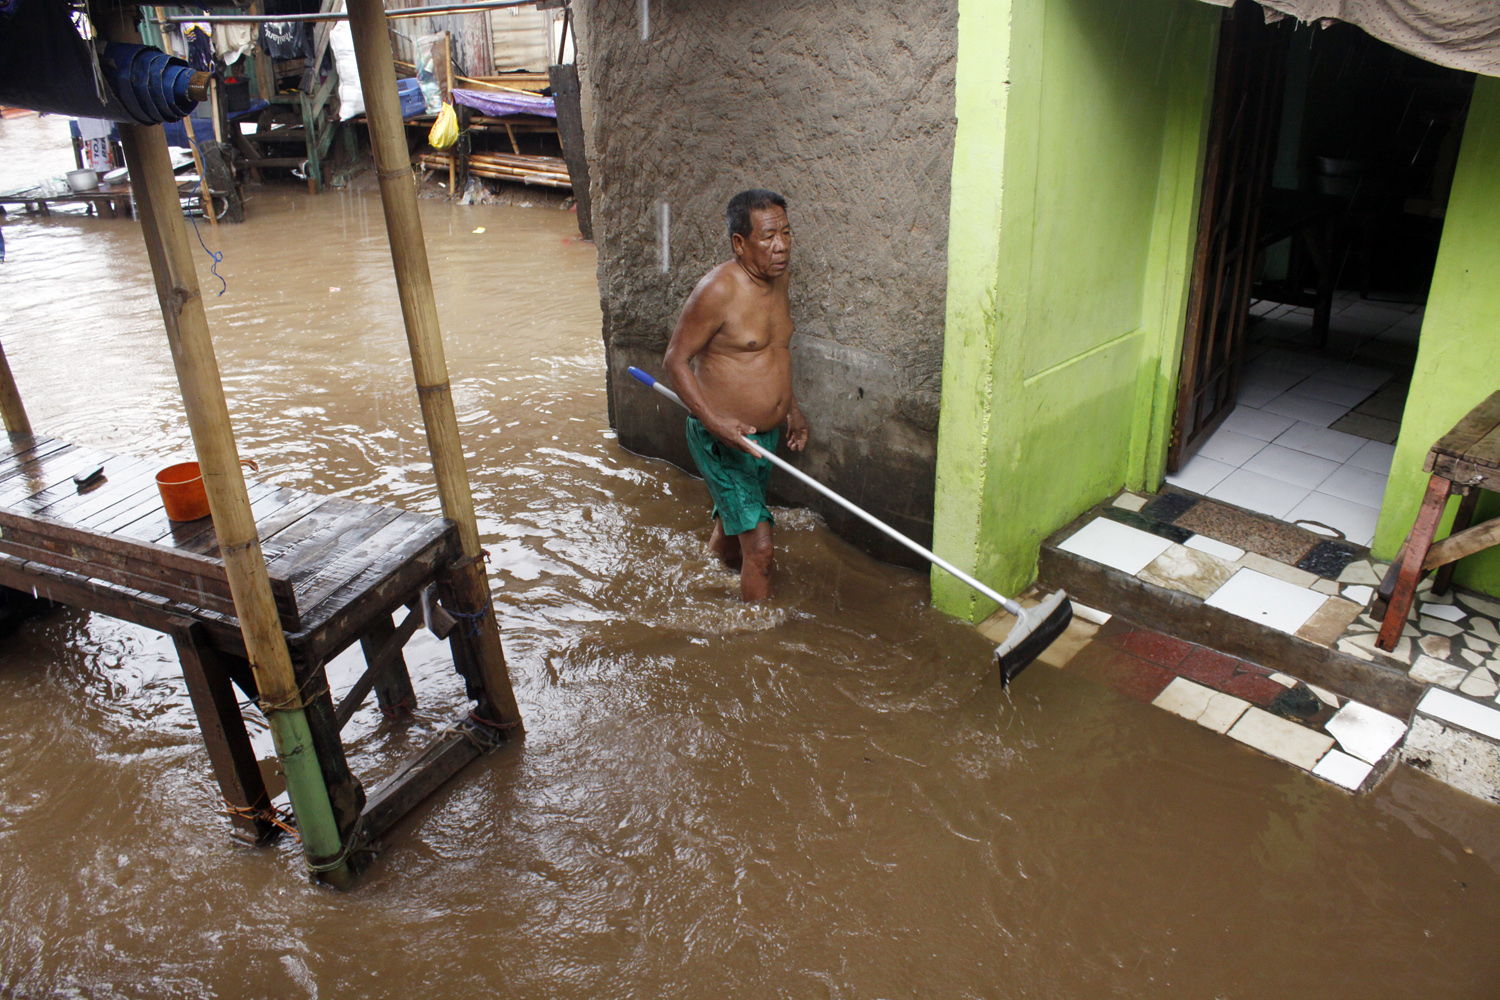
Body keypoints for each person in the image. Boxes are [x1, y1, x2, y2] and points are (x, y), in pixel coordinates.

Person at [663, 189, 810, 601]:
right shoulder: (718, 290)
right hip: (723, 439)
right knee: (760, 551)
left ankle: (697, 582)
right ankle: (754, 645)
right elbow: (675, 360)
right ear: (739, 243)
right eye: (768, 236)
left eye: (786, 232)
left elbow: (775, 352)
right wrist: (717, 424)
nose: (781, 245)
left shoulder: (778, 279)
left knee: (734, 536)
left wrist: (792, 411)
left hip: (763, 440)